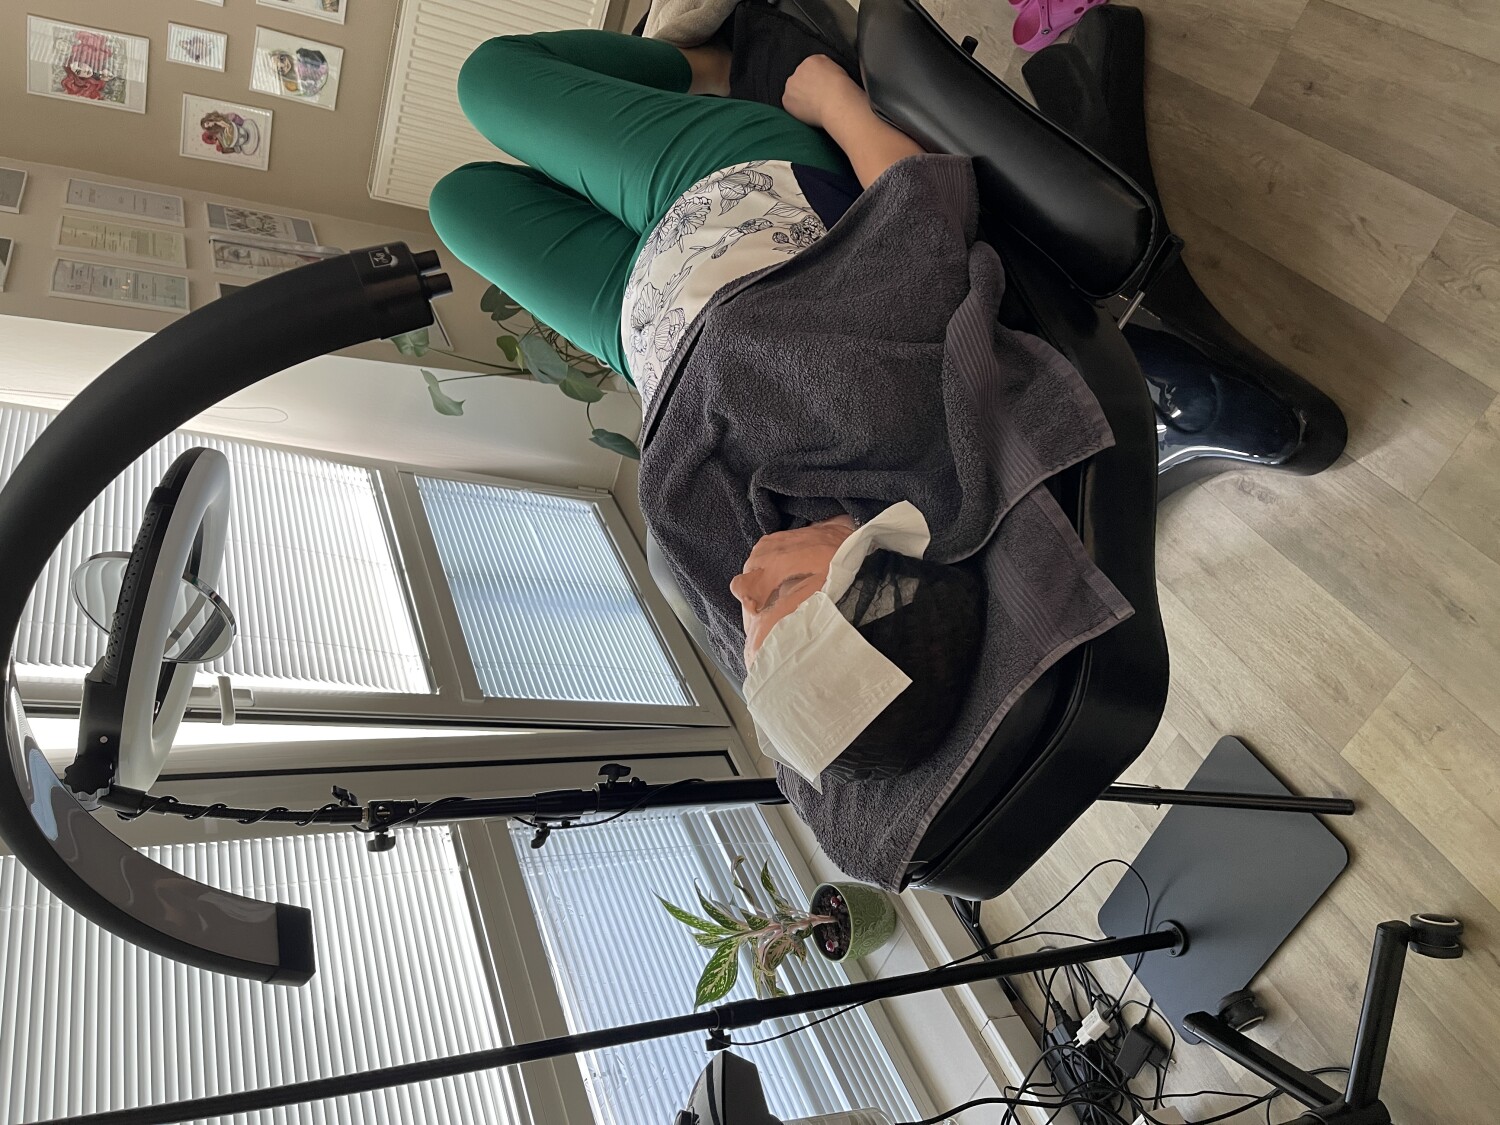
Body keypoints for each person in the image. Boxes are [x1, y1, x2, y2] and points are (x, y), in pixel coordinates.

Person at [430, 29, 1128, 803]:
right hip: (733, 201)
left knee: (458, 205)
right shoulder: (885, 417)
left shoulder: (748, 554)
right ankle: (709, 62)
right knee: (487, 80)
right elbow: (919, 205)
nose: (738, 582)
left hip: (638, 321)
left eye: (749, 625)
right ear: (865, 550)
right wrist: (834, 99)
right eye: (777, 589)